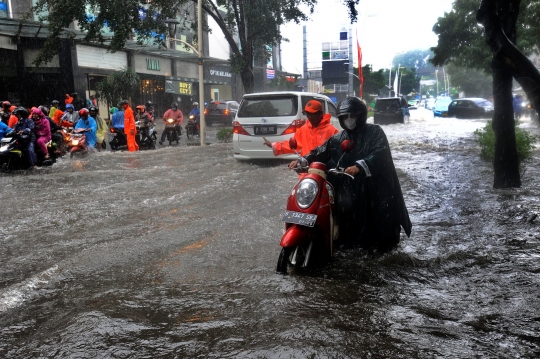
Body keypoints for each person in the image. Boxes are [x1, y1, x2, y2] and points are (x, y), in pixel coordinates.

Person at [300, 97, 412, 252]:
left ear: (361, 116)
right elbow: (320, 151)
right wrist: (304, 160)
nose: (349, 120)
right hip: (350, 191)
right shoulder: (338, 138)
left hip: (375, 190)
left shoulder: (375, 132)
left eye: (353, 116)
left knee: (379, 229)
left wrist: (360, 166)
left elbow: (380, 154)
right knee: (349, 225)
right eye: (345, 117)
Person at [263, 99, 339, 169]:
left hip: (324, 171)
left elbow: (337, 154)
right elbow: (293, 145)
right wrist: (274, 145)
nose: (310, 117)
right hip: (306, 171)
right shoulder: (304, 129)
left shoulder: (332, 131)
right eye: (308, 114)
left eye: (313, 114)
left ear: (320, 114)